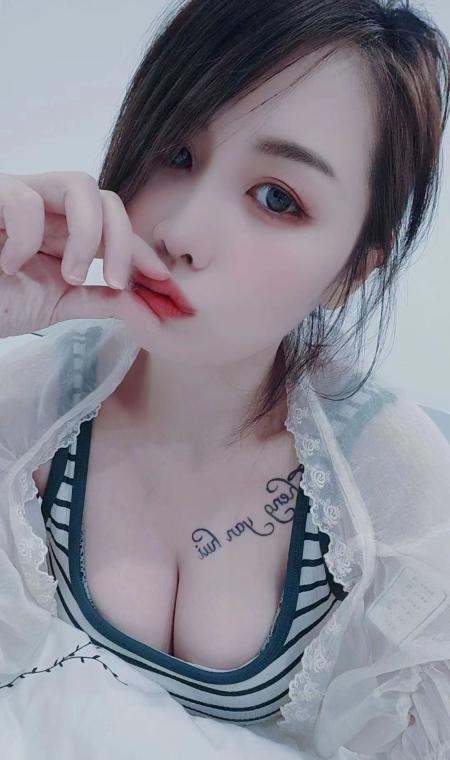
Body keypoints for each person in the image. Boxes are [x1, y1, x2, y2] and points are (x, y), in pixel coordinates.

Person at [1, 1, 450, 758]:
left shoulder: (390, 496)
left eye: (277, 198)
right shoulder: (33, 410)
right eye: (175, 153)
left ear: (350, 271)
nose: (179, 232)